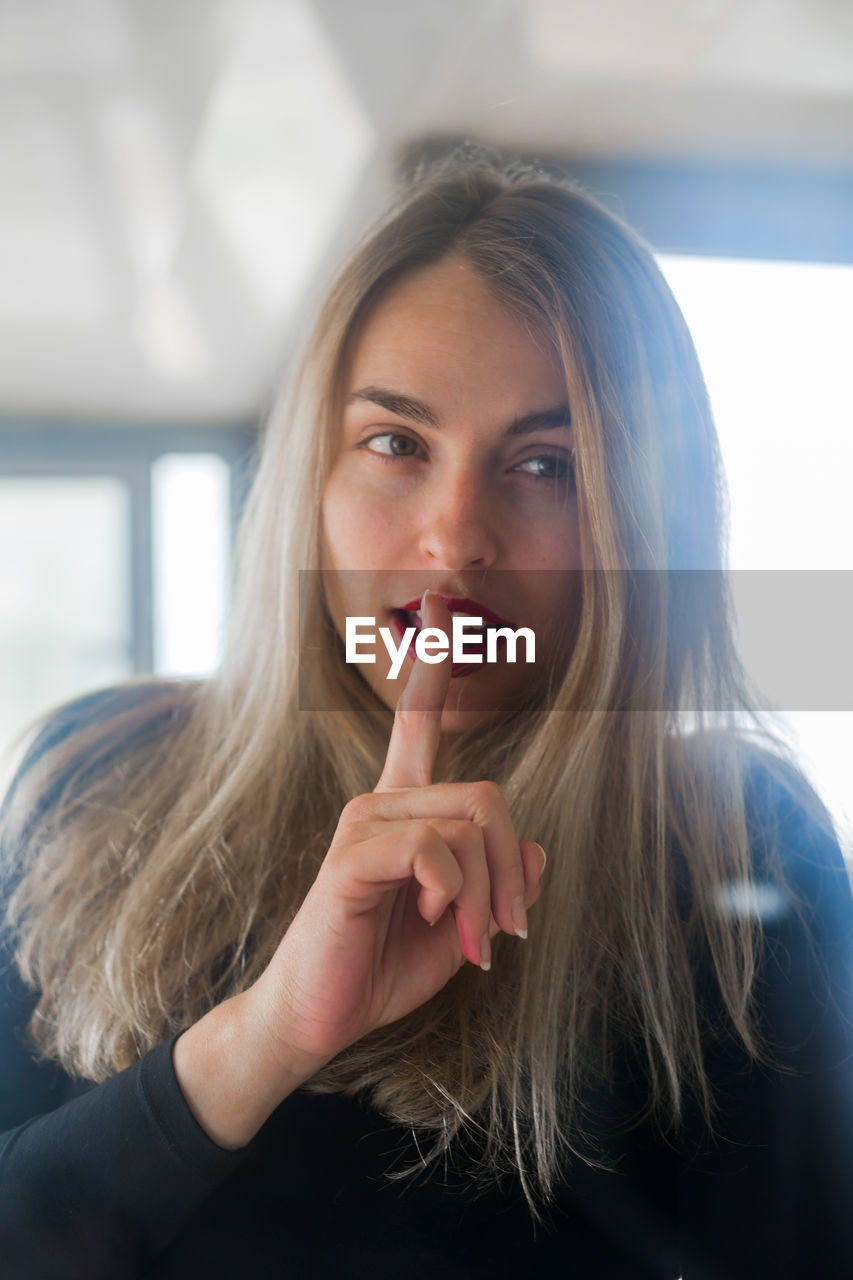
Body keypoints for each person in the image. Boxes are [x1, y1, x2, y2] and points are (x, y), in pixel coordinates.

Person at [1, 156, 851, 1280]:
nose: (454, 540)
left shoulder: (732, 838)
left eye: (545, 464)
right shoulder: (96, 769)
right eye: (396, 443)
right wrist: (261, 1039)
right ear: (311, 473)